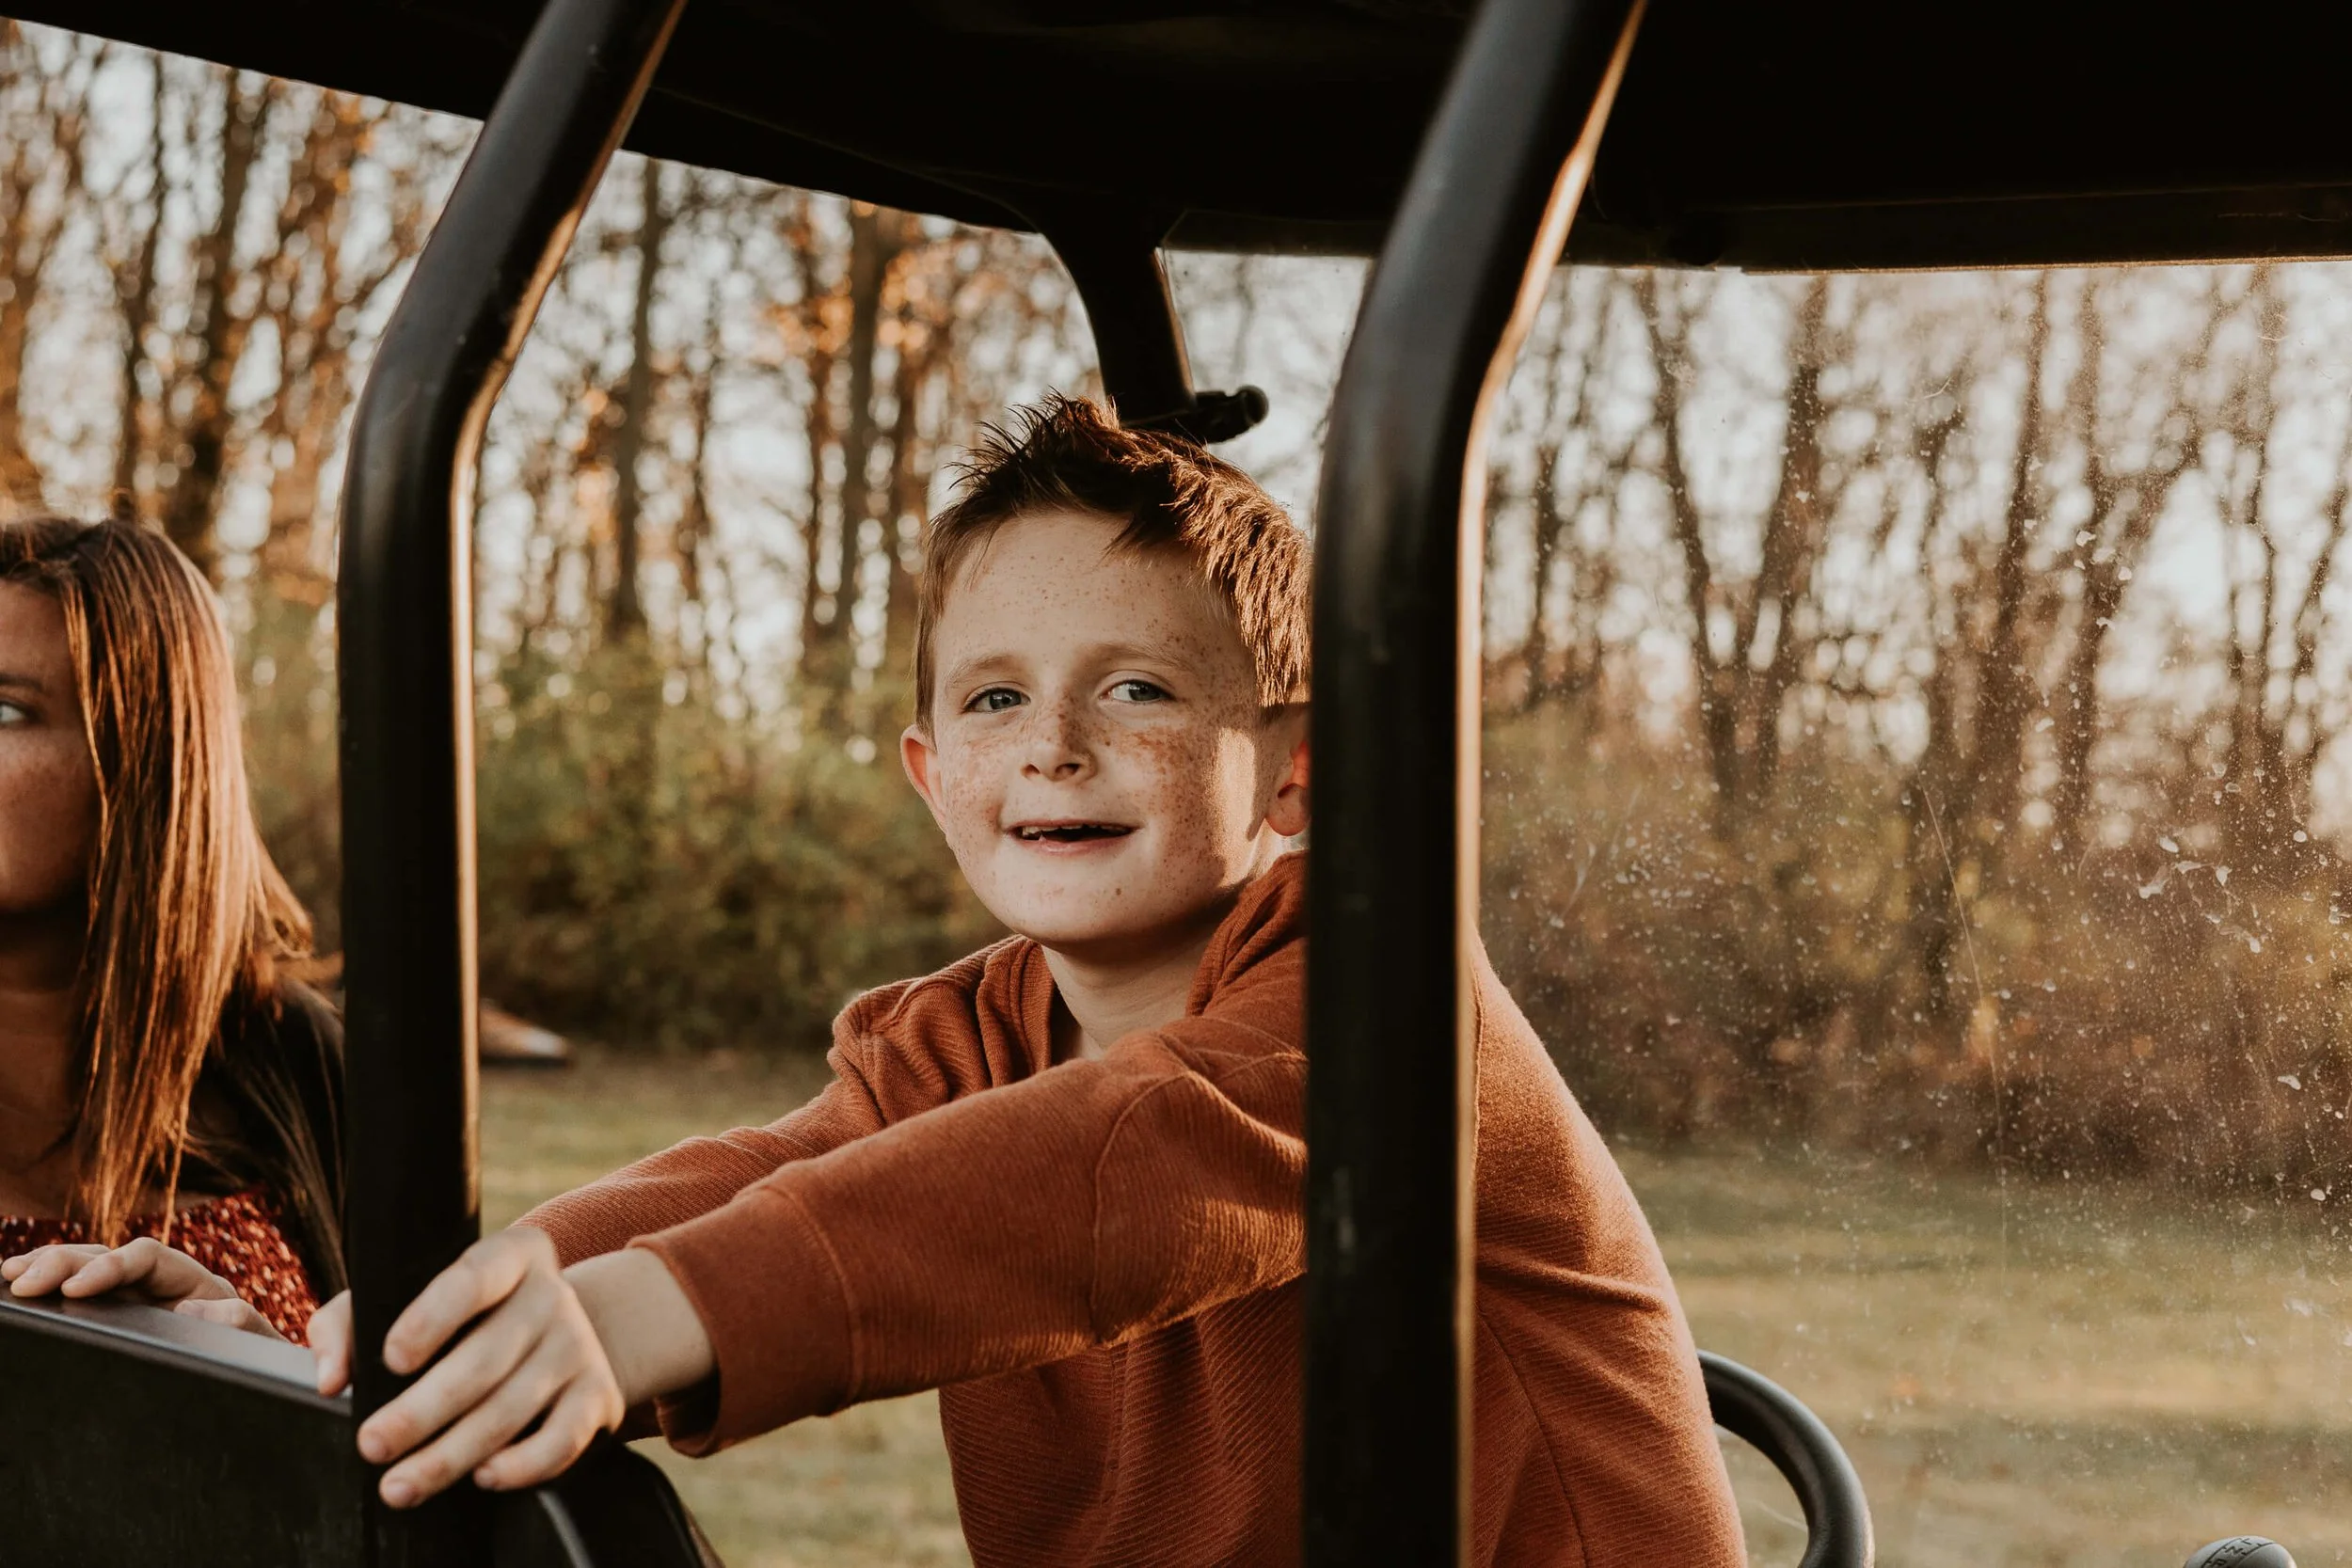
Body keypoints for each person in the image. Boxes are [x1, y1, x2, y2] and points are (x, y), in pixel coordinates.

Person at [25, 401, 1744, 1565]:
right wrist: (437, 1314)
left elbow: (1096, 1178)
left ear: (1297, 773)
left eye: (1139, 689)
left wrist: (652, 1318)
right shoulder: (961, 1036)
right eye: (995, 699)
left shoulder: (1376, 1009)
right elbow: (781, 1172)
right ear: (929, 769)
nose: (1055, 741)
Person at [0, 516, 341, 1343]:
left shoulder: (294, 1057)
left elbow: (409, 1429)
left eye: (5, 711)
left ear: (146, 758)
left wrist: (275, 1385)